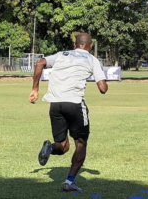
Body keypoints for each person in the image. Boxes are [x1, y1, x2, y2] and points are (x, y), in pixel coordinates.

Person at [28, 33, 108, 192]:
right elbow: (102, 88)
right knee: (81, 144)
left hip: (55, 104)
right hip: (75, 104)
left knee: (63, 146)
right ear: (90, 46)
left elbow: (39, 64)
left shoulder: (61, 55)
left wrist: (35, 89)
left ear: (75, 44)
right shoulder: (92, 59)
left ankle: (50, 148)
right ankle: (69, 181)